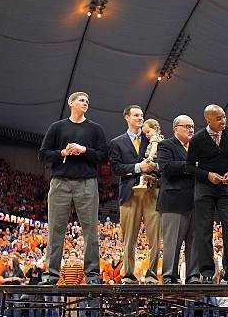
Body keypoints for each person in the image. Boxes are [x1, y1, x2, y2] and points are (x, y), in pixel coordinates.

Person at [38, 91, 108, 285]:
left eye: (87, 101)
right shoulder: (57, 127)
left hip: (87, 182)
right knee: (55, 230)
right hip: (60, 181)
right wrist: (62, 152)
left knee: (90, 231)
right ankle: (51, 275)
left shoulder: (95, 129)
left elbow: (104, 157)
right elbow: (43, 154)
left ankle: (92, 275)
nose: (85, 103)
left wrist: (84, 150)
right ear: (71, 103)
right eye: (81, 100)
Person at [185, 104, 228, 284]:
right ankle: (207, 272)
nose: (223, 121)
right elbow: (189, 166)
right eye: (219, 119)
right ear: (208, 120)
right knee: (204, 230)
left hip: (226, 188)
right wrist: (207, 175)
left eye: (224, 117)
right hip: (204, 188)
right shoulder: (197, 140)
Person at [109, 105, 160, 284]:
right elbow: (116, 168)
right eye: (136, 115)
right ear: (127, 118)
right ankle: (129, 274)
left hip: (151, 192)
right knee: (129, 238)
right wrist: (139, 167)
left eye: (142, 115)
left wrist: (154, 167)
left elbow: (161, 162)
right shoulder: (117, 142)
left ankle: (152, 275)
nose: (140, 118)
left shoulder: (152, 139)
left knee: (155, 237)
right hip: (129, 194)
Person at [157, 115, 196, 284]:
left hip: (195, 201)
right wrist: (191, 165)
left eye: (192, 126)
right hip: (173, 201)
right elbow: (166, 167)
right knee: (172, 243)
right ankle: (168, 276)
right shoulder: (165, 145)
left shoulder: (195, 147)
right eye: (186, 126)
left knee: (194, 242)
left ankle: (193, 276)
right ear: (175, 129)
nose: (191, 129)